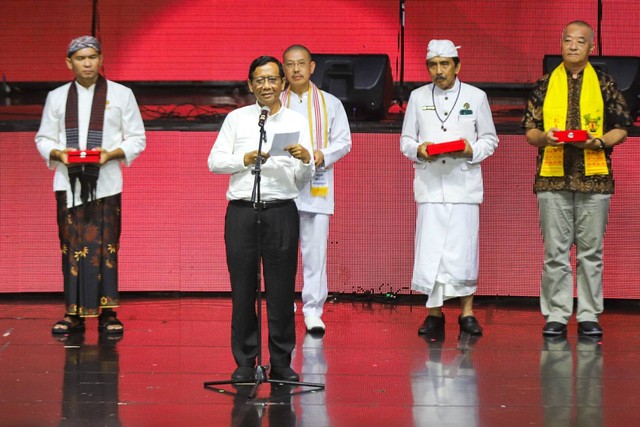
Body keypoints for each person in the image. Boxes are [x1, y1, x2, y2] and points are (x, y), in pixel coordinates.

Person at [208, 56, 315, 382]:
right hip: (242, 211)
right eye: (259, 80)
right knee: (243, 290)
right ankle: (245, 360)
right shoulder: (237, 119)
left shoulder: (296, 120)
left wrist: (305, 159)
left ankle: (281, 362)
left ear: (283, 82)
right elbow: (214, 162)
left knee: (281, 292)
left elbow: (300, 179)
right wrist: (245, 159)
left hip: (281, 211)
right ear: (251, 84)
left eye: (272, 79)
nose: (266, 86)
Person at [522, 21, 631, 338]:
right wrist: (544, 136)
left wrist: (598, 142)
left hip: (593, 181)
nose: (573, 46)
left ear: (591, 47)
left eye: (580, 41)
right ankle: (556, 314)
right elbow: (529, 131)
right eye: (567, 40)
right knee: (555, 253)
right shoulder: (544, 84)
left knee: (590, 253)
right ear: (561, 43)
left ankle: (588, 314)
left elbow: (622, 127)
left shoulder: (606, 84)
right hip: (552, 181)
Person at [35, 36, 146, 337]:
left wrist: (110, 154)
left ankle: (109, 312)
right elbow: (43, 138)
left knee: (105, 248)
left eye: (92, 57)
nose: (87, 63)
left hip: (106, 182)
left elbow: (137, 138)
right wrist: (58, 154)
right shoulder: (57, 97)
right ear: (68, 62)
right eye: (80, 58)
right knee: (72, 248)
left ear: (101, 59)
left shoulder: (122, 95)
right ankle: (74, 314)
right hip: (67, 183)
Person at [400, 39, 498, 338]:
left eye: (445, 64)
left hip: (463, 184)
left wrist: (470, 150)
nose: (439, 70)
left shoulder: (476, 96)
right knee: (431, 252)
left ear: (457, 66)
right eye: (433, 65)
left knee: (463, 250)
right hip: (430, 185)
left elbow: (490, 140)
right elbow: (406, 141)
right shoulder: (417, 97)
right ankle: (434, 314)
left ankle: (467, 312)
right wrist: (421, 149)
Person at [281, 45, 352, 334]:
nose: (295, 70)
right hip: (282, 186)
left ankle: (313, 310)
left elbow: (344, 141)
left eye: (301, 64)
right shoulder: (273, 103)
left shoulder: (330, 103)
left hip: (317, 185)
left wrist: (322, 154)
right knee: (281, 251)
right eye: (289, 65)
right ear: (283, 69)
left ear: (312, 67)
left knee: (315, 251)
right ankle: (283, 305)